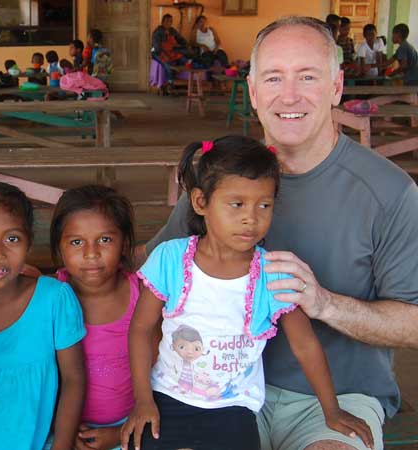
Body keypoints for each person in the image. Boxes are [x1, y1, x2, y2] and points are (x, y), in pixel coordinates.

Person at [143, 16, 418, 450]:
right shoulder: (223, 178)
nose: (289, 95)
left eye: (307, 76)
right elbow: (152, 275)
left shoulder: (390, 192)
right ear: (253, 91)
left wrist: (324, 303)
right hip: (210, 391)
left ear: (336, 86)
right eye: (274, 77)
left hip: (332, 399)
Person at [122, 137, 373, 450]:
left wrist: (331, 410)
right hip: (166, 399)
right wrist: (143, 400)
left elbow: (305, 346)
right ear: (201, 202)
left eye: (264, 205)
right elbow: (141, 329)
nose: (251, 218)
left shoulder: (274, 273)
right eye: (237, 204)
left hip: (235, 409)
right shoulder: (170, 259)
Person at [0, 182, 86, 450]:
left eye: (12, 239)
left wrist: (62, 447)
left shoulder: (54, 299)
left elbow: (74, 379)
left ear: (29, 242)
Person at [50, 185, 139, 450]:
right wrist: (63, 429)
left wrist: (121, 432)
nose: (91, 253)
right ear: (60, 247)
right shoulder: (49, 297)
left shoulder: (142, 296)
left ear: (124, 242)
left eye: (105, 240)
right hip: (62, 429)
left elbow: (160, 373)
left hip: (128, 428)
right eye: (77, 242)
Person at [152, 14, 187, 87]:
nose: (169, 23)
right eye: (167, 21)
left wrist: (185, 45)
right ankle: (170, 84)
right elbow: (156, 46)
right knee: (167, 65)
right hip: (158, 52)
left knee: (184, 59)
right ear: (162, 22)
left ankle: (176, 77)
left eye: (170, 21)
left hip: (170, 51)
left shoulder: (172, 30)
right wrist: (164, 55)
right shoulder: (158, 31)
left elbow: (180, 39)